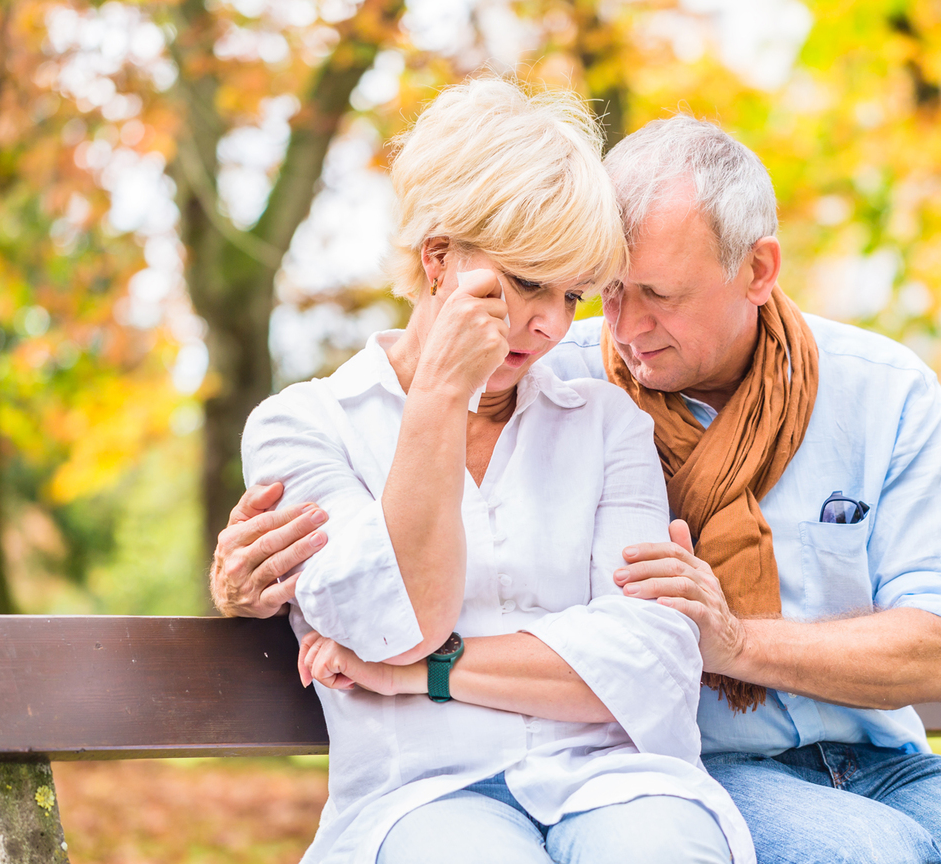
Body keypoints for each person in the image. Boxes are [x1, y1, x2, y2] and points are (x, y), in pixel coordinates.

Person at [218, 115, 941, 862]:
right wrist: (244, 582)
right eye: (606, 292)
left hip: (883, 761)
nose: (613, 329)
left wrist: (734, 640)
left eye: (651, 295)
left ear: (758, 270)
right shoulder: (568, 368)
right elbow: (370, 543)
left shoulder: (877, 390)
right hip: (716, 770)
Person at [237, 81, 751, 864]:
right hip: (421, 798)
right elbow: (398, 620)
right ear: (438, 259)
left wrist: (427, 676)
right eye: (525, 281)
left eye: (570, 294)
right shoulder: (305, 429)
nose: (547, 322)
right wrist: (440, 396)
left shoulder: (609, 425)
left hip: (612, 782)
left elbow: (647, 663)